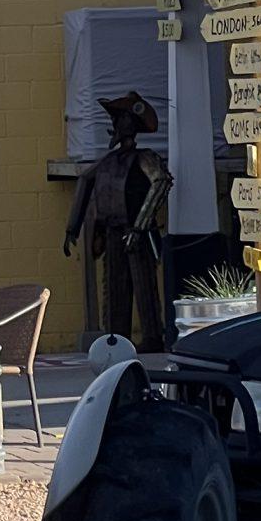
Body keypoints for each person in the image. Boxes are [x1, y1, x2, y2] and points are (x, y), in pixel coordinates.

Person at [66, 89, 169, 351]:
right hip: (111, 231)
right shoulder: (108, 162)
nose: (115, 124)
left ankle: (152, 337)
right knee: (113, 288)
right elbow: (85, 182)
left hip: (137, 232)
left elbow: (161, 182)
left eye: (120, 119)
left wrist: (141, 224)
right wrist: (72, 229)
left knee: (143, 284)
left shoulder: (144, 158)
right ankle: (116, 338)